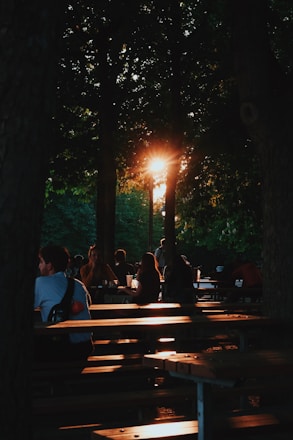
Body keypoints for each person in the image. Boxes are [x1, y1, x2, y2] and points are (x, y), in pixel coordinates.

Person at [34, 245, 94, 362]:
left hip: (62, 348)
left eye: (41, 262)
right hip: (85, 346)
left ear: (50, 265)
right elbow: (89, 303)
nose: (39, 265)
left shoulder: (41, 283)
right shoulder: (78, 284)